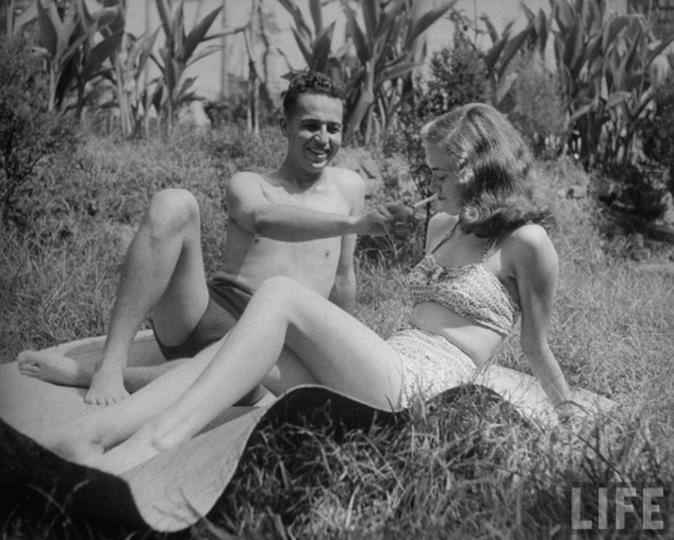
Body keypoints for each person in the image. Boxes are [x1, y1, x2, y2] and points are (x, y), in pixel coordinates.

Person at [39, 103, 584, 475]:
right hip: (387, 365)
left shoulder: (527, 243)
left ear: (476, 169)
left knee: (279, 294)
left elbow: (536, 348)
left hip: (423, 390)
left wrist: (570, 418)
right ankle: (97, 432)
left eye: (440, 175)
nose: (431, 184)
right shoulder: (442, 226)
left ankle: (149, 448)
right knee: (228, 353)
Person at [17, 70, 397, 406]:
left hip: (279, 336)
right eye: (310, 125)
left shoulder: (350, 188)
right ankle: (111, 364)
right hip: (210, 315)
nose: (323, 138)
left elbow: (343, 278)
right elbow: (263, 220)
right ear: (285, 127)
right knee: (174, 202)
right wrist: (354, 224)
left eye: (333, 128)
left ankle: (81, 374)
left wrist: (344, 353)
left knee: (244, 383)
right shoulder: (250, 184)